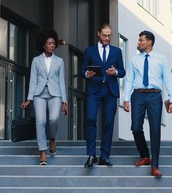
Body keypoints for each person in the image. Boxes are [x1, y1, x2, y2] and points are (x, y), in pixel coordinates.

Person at [123, 30, 172, 178]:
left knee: (155, 130)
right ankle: (145, 155)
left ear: (149, 42)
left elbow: (168, 80)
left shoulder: (161, 59)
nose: (138, 43)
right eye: (139, 40)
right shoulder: (134, 60)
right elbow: (129, 80)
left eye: (141, 40)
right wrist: (126, 99)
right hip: (138, 95)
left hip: (154, 96)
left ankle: (155, 166)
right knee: (135, 127)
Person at [21, 29, 69, 165]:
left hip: (55, 95)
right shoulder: (36, 61)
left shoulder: (59, 61)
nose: (52, 45)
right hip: (39, 94)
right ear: (43, 45)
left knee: (53, 119)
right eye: (49, 43)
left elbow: (61, 81)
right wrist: (29, 99)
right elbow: (33, 81)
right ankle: (42, 151)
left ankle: (52, 138)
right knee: (40, 121)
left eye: (54, 43)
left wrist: (64, 101)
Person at [80, 23, 125, 167]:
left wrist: (116, 72)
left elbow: (123, 71)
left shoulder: (117, 51)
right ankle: (91, 155)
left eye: (109, 35)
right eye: (104, 35)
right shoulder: (89, 51)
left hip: (110, 90)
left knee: (108, 123)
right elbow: (82, 70)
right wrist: (88, 73)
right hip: (94, 89)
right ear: (98, 34)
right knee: (91, 118)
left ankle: (104, 156)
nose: (107, 38)